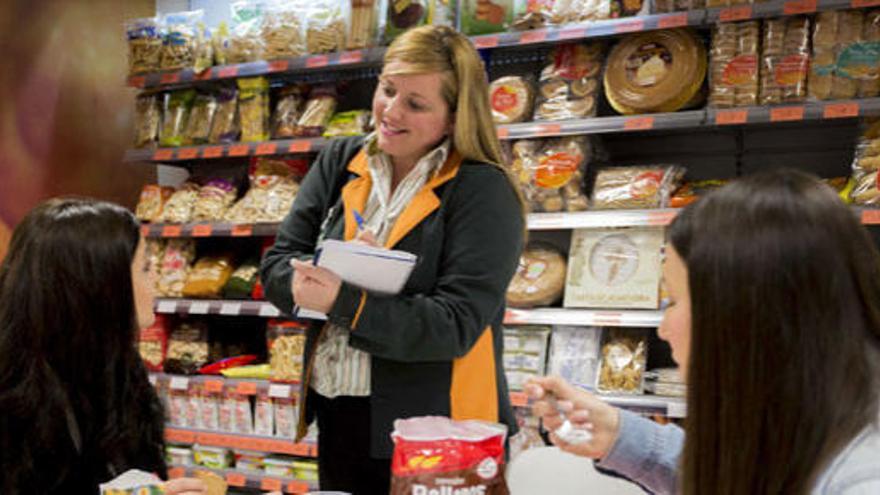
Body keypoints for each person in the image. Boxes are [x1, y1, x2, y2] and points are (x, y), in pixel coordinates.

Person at [260, 25, 525, 494]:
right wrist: (299, 284)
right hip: (339, 409)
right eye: (387, 90)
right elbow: (280, 260)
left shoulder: (482, 189)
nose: (391, 111)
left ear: (454, 116)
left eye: (416, 104)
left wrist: (344, 298)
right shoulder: (341, 160)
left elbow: (456, 322)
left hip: (438, 424)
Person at [530, 169, 880, 494]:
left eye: (676, 300)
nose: (664, 330)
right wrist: (617, 433)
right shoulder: (806, 421)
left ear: (745, 317)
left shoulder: (862, 479)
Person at [0, 198, 208, 494]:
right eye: (146, 268)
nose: (156, 280)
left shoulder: (116, 368)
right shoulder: (14, 401)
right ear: (104, 285)